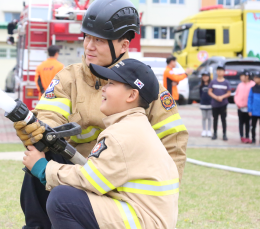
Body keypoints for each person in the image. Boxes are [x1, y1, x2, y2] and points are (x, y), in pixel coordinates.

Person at [13, 0, 189, 229]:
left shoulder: (148, 90)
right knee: (40, 154)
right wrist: (38, 132)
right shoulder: (69, 78)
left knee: (55, 185)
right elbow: (49, 118)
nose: (89, 46)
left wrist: (159, 201)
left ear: (123, 45)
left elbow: (173, 145)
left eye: (99, 39)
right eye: (86, 36)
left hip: (123, 187)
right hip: (78, 175)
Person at [22, 59, 180, 229]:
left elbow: (90, 180)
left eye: (111, 83)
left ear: (131, 95)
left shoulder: (123, 133)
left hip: (143, 221)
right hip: (147, 218)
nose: (103, 88)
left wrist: (43, 168)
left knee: (62, 199)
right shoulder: (136, 126)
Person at [208, 64, 231, 141]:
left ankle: (224, 134)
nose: (219, 72)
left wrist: (221, 97)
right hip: (215, 104)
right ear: (216, 72)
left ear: (224, 72)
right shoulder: (213, 82)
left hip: (223, 104)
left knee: (223, 119)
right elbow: (210, 91)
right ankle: (215, 133)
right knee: (215, 119)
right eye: (218, 70)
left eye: (221, 70)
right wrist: (216, 97)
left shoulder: (226, 82)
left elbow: (228, 92)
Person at [234, 70, 255, 143]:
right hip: (240, 107)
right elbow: (236, 94)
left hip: (248, 107)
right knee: (241, 122)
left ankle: (247, 136)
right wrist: (237, 102)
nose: (241, 78)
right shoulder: (240, 84)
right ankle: (241, 136)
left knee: (248, 122)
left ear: (247, 76)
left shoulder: (252, 84)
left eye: (242, 76)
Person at [199, 70, 212, 137]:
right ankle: (204, 130)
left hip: (210, 104)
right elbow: (200, 95)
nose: (205, 77)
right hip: (203, 104)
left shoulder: (211, 85)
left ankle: (209, 130)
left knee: (209, 117)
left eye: (206, 76)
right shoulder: (201, 86)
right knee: (204, 117)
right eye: (203, 76)